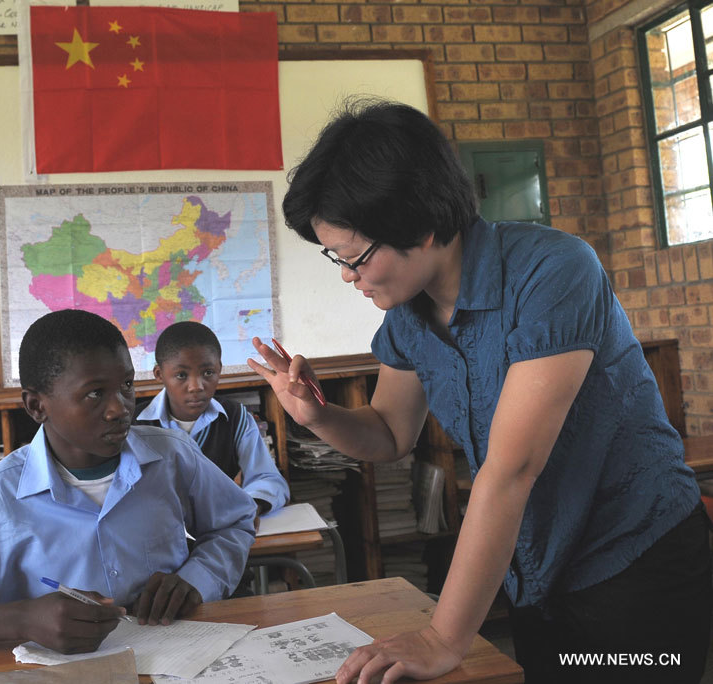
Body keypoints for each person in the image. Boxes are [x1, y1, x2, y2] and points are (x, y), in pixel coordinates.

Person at [248, 99, 711, 684]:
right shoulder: (407, 319)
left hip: (635, 562)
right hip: (536, 568)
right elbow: (390, 432)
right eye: (335, 258)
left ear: (422, 223)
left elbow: (511, 468)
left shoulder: (553, 272)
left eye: (356, 257)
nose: (347, 275)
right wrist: (318, 415)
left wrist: (443, 637)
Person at [0, 309, 256, 667]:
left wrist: (196, 578)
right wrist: (21, 618)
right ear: (36, 406)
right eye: (95, 393)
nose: (120, 408)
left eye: (127, 386)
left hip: (177, 663)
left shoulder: (171, 456)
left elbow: (235, 522)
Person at [135, 321, 289, 529]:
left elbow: (267, 478)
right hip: (155, 534)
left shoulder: (236, 418)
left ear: (219, 369)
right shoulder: (135, 424)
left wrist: (249, 506)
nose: (196, 387)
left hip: (218, 530)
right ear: (159, 375)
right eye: (181, 375)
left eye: (208, 373)